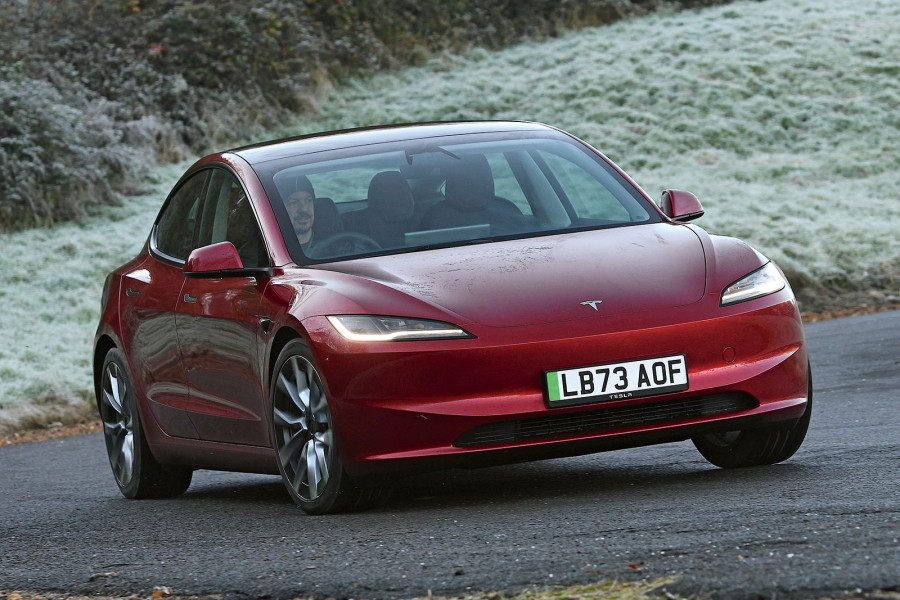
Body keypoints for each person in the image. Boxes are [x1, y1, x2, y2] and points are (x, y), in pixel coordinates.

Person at [284, 176, 315, 252]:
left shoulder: (338, 246)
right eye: (293, 203)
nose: (303, 209)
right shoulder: (272, 249)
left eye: (309, 200)